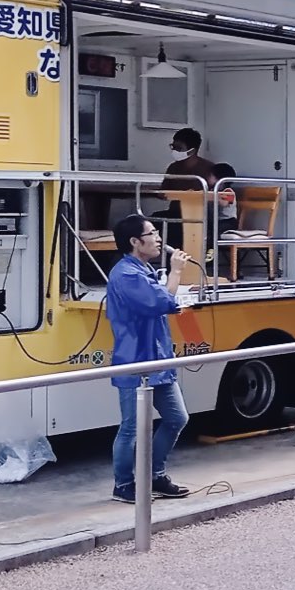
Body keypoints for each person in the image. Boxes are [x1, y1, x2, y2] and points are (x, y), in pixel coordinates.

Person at [106, 214, 194, 503]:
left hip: (158, 358)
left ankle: (154, 475)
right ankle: (123, 484)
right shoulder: (126, 274)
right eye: (152, 233)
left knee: (177, 417)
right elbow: (161, 303)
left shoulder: (142, 269)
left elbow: (162, 302)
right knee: (131, 427)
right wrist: (177, 272)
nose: (158, 239)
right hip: (135, 360)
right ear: (135, 241)